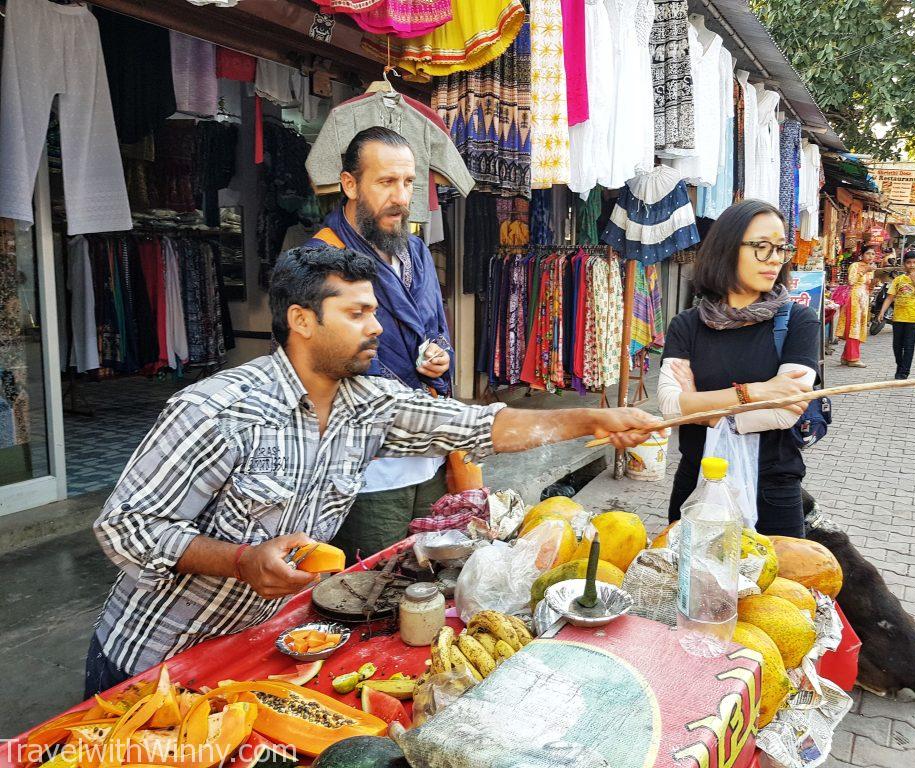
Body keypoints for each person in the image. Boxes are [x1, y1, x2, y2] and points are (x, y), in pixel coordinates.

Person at [86, 243, 660, 696]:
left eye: (376, 311)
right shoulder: (218, 409)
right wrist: (237, 561)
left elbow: (479, 425)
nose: (377, 327)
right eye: (357, 313)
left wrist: (597, 419)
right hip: (154, 659)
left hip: (254, 649)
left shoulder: (368, 401)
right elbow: (124, 527)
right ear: (300, 321)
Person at [305, 127, 454, 558]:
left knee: (432, 573)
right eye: (386, 182)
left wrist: (438, 356)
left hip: (429, 448)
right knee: (374, 586)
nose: (401, 196)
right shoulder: (319, 260)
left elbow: (434, 326)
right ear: (349, 184)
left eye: (408, 183)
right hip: (367, 464)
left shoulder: (416, 251)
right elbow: (314, 364)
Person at [658, 199, 819, 538]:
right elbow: (671, 408)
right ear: (727, 247)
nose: (774, 258)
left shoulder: (797, 322)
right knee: (692, 586)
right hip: (696, 485)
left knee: (778, 590)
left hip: (772, 491)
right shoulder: (687, 325)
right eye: (762, 247)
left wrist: (701, 407)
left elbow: (783, 413)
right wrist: (753, 393)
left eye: (780, 248)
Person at [877, 250, 915, 379]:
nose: (912, 265)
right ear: (904, 264)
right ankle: (900, 366)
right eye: (909, 263)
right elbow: (890, 297)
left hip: (914, 317)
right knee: (897, 346)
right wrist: (882, 312)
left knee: (909, 345)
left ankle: (904, 372)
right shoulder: (898, 280)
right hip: (898, 316)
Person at [836, 247, 873, 368]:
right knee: (854, 326)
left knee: (859, 326)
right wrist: (864, 271)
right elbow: (851, 281)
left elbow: (869, 285)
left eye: (873, 254)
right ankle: (853, 358)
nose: (871, 256)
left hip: (864, 299)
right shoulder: (855, 265)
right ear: (861, 255)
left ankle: (846, 357)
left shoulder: (871, 268)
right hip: (854, 298)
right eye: (868, 253)